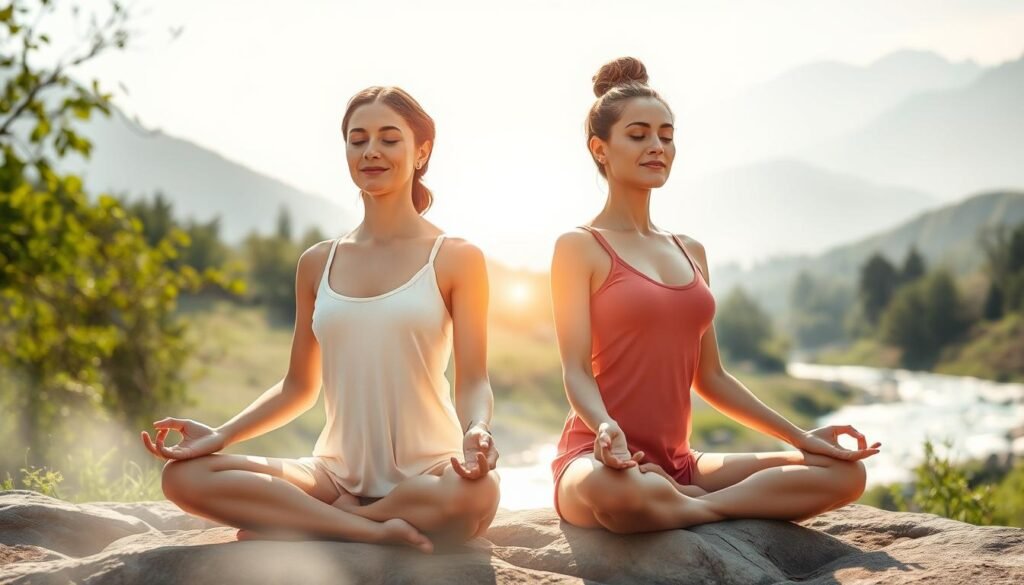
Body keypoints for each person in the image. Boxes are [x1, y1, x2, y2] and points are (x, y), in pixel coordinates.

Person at [141, 86, 500, 553]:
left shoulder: (456, 258)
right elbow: (298, 387)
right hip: (332, 473)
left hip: (430, 472)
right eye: (358, 139)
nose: (371, 151)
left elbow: (473, 380)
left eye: (390, 139)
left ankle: (318, 522)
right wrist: (221, 435)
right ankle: (371, 528)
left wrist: (478, 429)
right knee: (184, 477)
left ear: (421, 152)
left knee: (477, 494)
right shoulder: (318, 262)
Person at [549, 57, 881, 534]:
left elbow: (711, 377)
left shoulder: (690, 250)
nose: (657, 146)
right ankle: (698, 504)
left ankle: (690, 503)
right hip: (597, 457)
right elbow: (576, 370)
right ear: (600, 149)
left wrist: (802, 436)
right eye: (638, 135)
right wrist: (605, 427)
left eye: (666, 134)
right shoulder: (579, 246)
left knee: (845, 472)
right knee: (616, 493)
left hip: (682, 463)